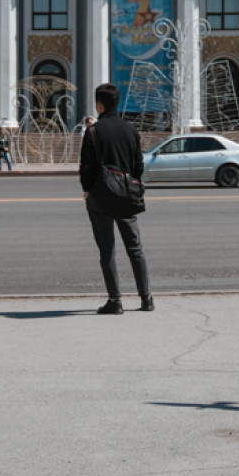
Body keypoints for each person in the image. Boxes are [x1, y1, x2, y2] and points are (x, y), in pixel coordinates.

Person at [79, 83, 152, 314]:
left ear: (99, 104)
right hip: (126, 198)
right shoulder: (131, 130)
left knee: (107, 249)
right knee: (135, 247)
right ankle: (146, 298)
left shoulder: (92, 132)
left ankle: (115, 300)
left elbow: (86, 167)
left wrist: (87, 189)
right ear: (117, 103)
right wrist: (128, 183)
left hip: (100, 198)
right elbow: (139, 166)